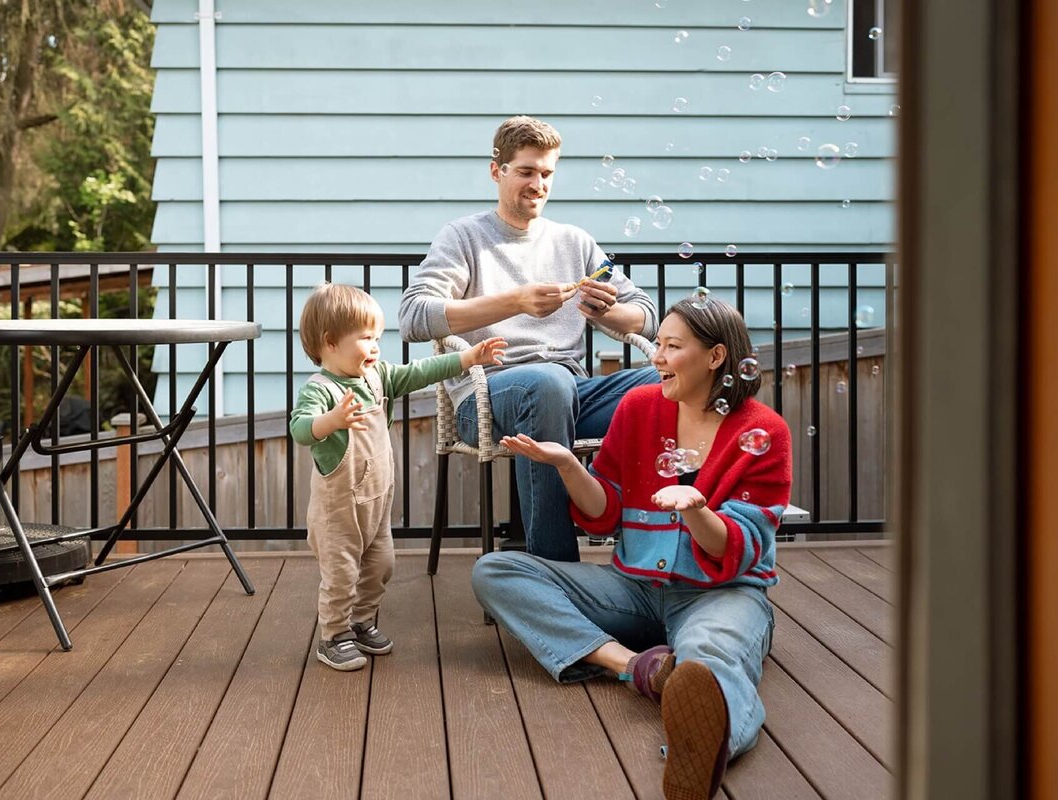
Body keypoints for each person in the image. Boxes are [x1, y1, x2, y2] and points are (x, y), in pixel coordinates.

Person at [472, 298, 792, 800]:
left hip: (721, 593)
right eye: (657, 345)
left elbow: (742, 550)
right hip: (634, 589)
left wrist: (696, 509)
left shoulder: (764, 431)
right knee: (496, 571)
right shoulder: (639, 407)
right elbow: (605, 513)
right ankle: (637, 666)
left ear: (715, 357)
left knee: (710, 657)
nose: (657, 358)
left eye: (672, 347)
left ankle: (707, 743)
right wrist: (569, 467)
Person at [399, 115, 659, 562]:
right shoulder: (463, 237)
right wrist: (515, 301)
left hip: (573, 393)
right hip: (483, 397)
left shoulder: (575, 243)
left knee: (669, 380)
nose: (538, 183)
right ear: (496, 170)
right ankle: (553, 571)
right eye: (526, 171)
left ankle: (653, 549)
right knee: (547, 384)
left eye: (547, 173)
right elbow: (414, 317)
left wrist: (608, 310)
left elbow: (648, 318)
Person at [290, 283, 506, 671]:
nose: (375, 347)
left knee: (381, 566)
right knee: (341, 575)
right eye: (366, 338)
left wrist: (469, 358)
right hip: (337, 513)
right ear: (330, 342)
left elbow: (421, 371)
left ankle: (360, 622)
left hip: (375, 504)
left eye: (378, 337)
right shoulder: (320, 389)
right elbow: (300, 429)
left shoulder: (377, 378)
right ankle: (333, 635)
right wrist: (331, 421)